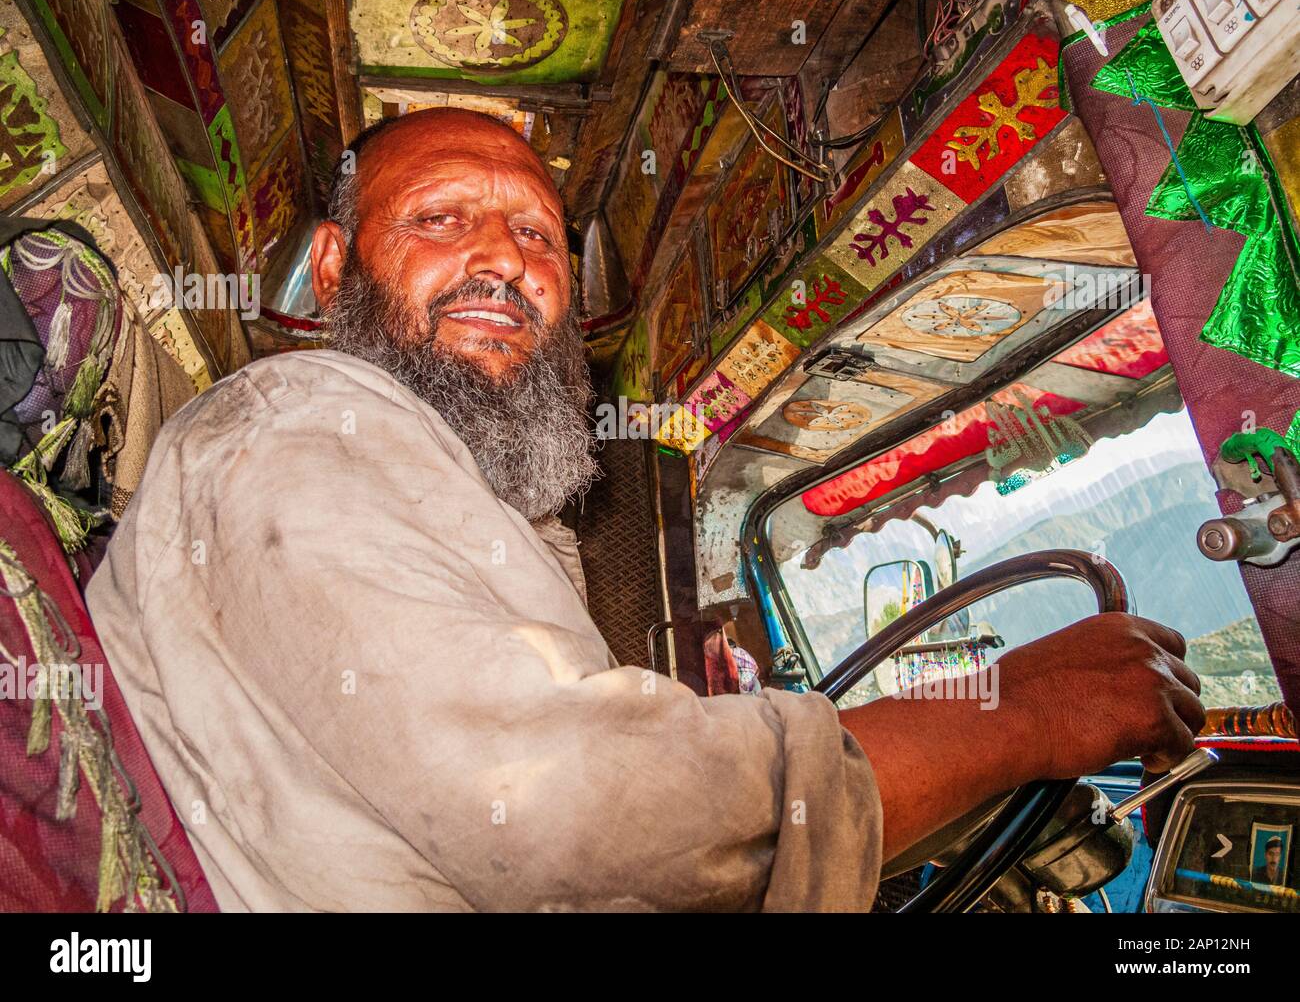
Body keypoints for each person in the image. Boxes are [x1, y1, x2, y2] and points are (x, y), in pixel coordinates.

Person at [85, 108, 1205, 912]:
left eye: (534, 235)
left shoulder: (475, 506)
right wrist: (1016, 713)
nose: (499, 260)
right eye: (439, 219)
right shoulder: (287, 419)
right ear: (332, 270)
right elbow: (559, 807)